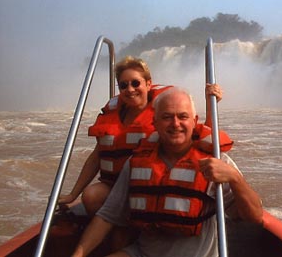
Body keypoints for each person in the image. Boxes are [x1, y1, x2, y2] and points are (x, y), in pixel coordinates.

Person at [71, 87, 263, 257]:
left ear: (194, 121)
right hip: (142, 253)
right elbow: (108, 216)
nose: (175, 123)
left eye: (183, 116)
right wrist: (78, 255)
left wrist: (236, 178)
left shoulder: (217, 163)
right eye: (167, 117)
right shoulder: (137, 162)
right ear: (154, 122)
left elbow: (254, 216)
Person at [58, 56, 225, 217]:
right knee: (91, 196)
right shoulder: (112, 112)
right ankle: (110, 232)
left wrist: (211, 105)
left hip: (149, 185)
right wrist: (73, 194)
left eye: (135, 83)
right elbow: (97, 156)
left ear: (148, 84)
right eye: (124, 85)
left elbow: (200, 137)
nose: (130, 89)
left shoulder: (164, 114)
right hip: (115, 185)